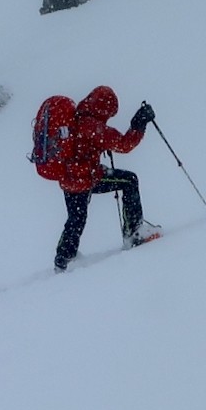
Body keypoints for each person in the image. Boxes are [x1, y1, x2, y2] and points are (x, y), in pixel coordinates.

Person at [54, 86, 160, 273]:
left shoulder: (75, 119)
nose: (109, 116)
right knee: (129, 181)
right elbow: (125, 144)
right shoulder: (93, 126)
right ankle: (134, 233)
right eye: (110, 112)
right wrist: (139, 124)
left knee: (76, 218)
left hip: (68, 177)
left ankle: (63, 258)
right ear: (104, 108)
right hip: (86, 178)